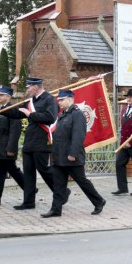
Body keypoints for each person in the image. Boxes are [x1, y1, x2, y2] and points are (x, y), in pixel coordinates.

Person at [46, 89, 105, 217]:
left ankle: (98, 201)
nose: (59, 102)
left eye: (61, 100)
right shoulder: (63, 114)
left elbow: (78, 136)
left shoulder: (77, 114)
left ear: (70, 99)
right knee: (58, 185)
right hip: (60, 155)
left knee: (82, 181)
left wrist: (73, 153)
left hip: (72, 157)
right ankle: (56, 209)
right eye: (59, 100)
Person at [2, 77, 57, 211]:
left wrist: (30, 114)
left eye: (29, 87)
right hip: (29, 142)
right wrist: (3, 110)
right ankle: (28, 201)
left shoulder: (49, 100)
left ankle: (61, 190)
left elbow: (50, 117)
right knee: (28, 173)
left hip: (42, 141)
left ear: (36, 86)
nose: (27, 89)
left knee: (43, 169)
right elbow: (17, 113)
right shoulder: (30, 101)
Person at [0, 86, 25, 205]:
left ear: (9, 97)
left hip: (5, 149)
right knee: (0, 172)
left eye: (2, 95)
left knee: (12, 171)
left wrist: (11, 149)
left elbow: (15, 132)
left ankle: (30, 189)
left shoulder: (13, 110)